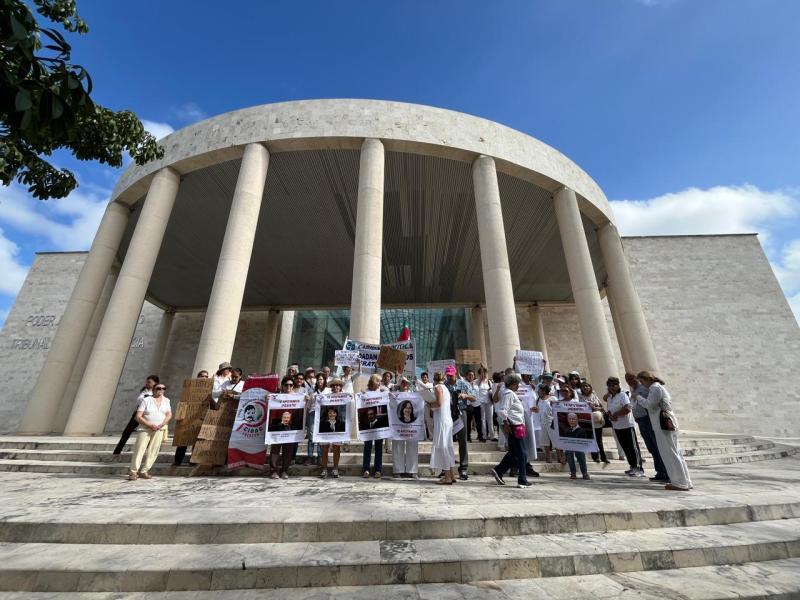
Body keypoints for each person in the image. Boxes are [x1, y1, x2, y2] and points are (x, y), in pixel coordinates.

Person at [634, 371, 693, 491]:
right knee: (675, 452)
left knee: (670, 453)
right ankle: (685, 481)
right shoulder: (657, 387)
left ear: (647, 379)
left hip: (663, 424)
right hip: (665, 423)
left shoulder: (655, 388)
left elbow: (650, 405)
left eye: (642, 381)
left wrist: (638, 397)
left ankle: (679, 482)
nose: (642, 384)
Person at [491, 373, 532, 488]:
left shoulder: (510, 394)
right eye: (517, 384)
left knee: (514, 453)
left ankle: (499, 470)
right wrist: (506, 423)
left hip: (516, 425)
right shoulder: (509, 394)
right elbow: (503, 410)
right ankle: (522, 479)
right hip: (514, 426)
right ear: (513, 384)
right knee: (522, 454)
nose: (518, 386)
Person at [626, 372, 668, 482]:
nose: (630, 382)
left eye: (632, 379)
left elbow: (650, 404)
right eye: (628, 380)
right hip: (640, 421)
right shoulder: (633, 390)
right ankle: (660, 471)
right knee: (651, 448)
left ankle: (666, 472)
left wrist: (638, 398)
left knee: (657, 446)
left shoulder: (646, 388)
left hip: (648, 420)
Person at [128, 383, 171, 480]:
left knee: (153, 451)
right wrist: (150, 425)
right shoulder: (146, 400)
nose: (161, 390)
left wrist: (163, 424)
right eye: (158, 388)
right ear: (154, 389)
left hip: (159, 429)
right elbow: (138, 416)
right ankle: (133, 472)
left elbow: (169, 414)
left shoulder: (167, 401)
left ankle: (144, 471)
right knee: (139, 449)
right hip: (145, 428)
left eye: (163, 388)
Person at [606, 377, 644, 477]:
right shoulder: (610, 398)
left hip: (627, 425)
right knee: (625, 447)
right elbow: (610, 409)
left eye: (615, 384)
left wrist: (616, 415)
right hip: (617, 426)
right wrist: (610, 415)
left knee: (632, 447)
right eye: (610, 385)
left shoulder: (622, 395)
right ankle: (632, 466)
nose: (613, 387)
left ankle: (639, 468)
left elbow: (627, 408)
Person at [114, 374, 158, 455]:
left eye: (149, 382)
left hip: (148, 415)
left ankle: (148, 452)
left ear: (155, 383)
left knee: (150, 433)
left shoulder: (157, 392)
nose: (147, 383)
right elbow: (139, 401)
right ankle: (117, 451)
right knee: (127, 431)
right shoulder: (144, 390)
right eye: (147, 382)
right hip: (138, 413)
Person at [430, 372, 456, 484]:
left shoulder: (438, 387)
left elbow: (439, 403)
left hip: (441, 420)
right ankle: (452, 474)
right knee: (447, 447)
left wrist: (430, 405)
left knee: (443, 447)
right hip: (447, 419)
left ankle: (447, 477)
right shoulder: (445, 387)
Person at [444, 365, 469, 480]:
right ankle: (447, 468)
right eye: (448, 375)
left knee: (462, 441)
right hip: (447, 414)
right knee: (447, 442)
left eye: (451, 375)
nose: (449, 377)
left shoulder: (463, 384)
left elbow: (475, 397)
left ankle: (463, 468)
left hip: (460, 413)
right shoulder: (444, 385)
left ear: (455, 374)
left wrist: (465, 395)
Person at [319, 377, 347, 479]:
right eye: (334, 385)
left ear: (341, 387)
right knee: (325, 448)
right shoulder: (326, 397)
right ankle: (324, 469)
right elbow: (321, 412)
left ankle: (335, 468)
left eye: (338, 385)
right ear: (331, 387)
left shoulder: (345, 398)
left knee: (336, 448)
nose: (336, 387)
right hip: (326, 426)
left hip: (338, 426)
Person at [391, 381, 420, 479]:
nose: (404, 385)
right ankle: (397, 470)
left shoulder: (414, 394)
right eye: (402, 383)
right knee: (397, 446)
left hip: (412, 428)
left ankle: (412, 471)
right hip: (398, 427)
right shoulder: (395, 395)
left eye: (409, 408)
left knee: (412, 446)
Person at [270, 377, 296, 480]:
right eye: (286, 385)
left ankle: (284, 470)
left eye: (291, 385)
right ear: (282, 386)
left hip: (290, 427)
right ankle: (274, 470)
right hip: (277, 426)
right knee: (275, 449)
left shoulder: (297, 398)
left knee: (288, 449)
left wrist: (306, 401)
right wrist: (268, 399)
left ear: (293, 387)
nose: (288, 387)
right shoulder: (276, 397)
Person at [577, 381, 609, 464]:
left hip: (597, 420)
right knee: (591, 439)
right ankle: (595, 457)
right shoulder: (580, 397)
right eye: (584, 386)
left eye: (587, 386)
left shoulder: (594, 395)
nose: (586, 388)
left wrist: (596, 408)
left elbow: (601, 407)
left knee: (599, 439)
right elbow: (580, 408)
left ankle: (603, 457)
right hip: (587, 420)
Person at [361, 374, 385, 478]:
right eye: (377, 381)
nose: (379, 383)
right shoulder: (366, 393)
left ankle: (378, 470)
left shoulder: (383, 392)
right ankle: (366, 469)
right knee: (367, 446)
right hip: (368, 425)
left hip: (379, 424)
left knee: (379, 447)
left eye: (380, 381)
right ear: (372, 382)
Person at [562, 412, 591, 480]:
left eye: (574, 419)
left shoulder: (581, 431)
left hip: (580, 449)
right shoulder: (567, 431)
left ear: (577, 420)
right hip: (570, 449)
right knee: (568, 452)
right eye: (570, 419)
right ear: (568, 420)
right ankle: (573, 473)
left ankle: (584, 473)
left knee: (580, 452)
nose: (572, 421)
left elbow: (585, 443)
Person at [534, 384, 554, 462]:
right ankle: (548, 457)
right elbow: (537, 411)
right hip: (542, 422)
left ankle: (560, 456)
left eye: (540, 390)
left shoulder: (552, 398)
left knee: (554, 440)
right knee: (545, 441)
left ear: (544, 391)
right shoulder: (537, 400)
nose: (538, 392)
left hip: (551, 422)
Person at [462, 369, 483, 442]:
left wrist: (482, 367)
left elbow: (482, 376)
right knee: (468, 422)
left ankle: (480, 436)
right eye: (469, 375)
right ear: (466, 376)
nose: (471, 376)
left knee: (478, 422)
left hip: (477, 405)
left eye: (472, 375)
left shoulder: (476, 382)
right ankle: (468, 437)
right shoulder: (464, 383)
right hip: (468, 405)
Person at [476, 367, 495, 441]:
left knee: (490, 419)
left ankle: (492, 435)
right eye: (482, 373)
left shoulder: (490, 382)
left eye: (485, 373)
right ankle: (484, 436)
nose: (484, 374)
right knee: (483, 419)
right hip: (481, 402)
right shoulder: (477, 381)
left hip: (489, 402)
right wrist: (481, 368)